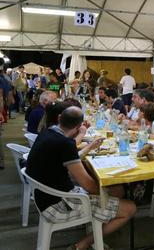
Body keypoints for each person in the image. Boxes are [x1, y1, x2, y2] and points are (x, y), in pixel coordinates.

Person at [26, 106, 136, 250]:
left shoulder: (47, 133)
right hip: (58, 205)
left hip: (43, 196)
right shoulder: (65, 145)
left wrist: (88, 147)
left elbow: (64, 158)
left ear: (60, 119)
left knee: (116, 190)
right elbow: (88, 186)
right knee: (130, 208)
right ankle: (84, 243)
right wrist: (105, 190)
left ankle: (98, 227)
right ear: (78, 126)